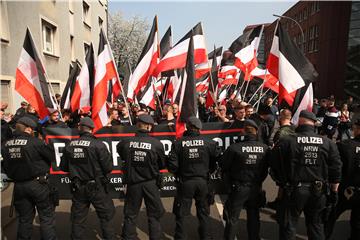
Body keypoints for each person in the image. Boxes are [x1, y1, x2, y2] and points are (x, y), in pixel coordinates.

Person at [269, 110, 342, 240]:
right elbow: (336, 169)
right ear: (313, 124)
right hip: (319, 192)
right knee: (316, 225)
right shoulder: (328, 143)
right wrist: (334, 192)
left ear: (299, 122)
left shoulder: (287, 141)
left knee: (288, 226)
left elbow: (274, 163)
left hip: (293, 190)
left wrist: (281, 182)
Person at [1, 117, 57, 240]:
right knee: (46, 218)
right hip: (39, 185)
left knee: (24, 220)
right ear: (28, 129)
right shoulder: (36, 142)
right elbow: (52, 156)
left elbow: (4, 165)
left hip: (19, 186)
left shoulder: (5, 145)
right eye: (32, 130)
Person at [60, 117, 115, 240]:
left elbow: (63, 167)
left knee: (78, 220)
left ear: (80, 128)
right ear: (92, 129)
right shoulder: (98, 145)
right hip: (97, 187)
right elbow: (108, 168)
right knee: (106, 217)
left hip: (79, 187)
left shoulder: (70, 145)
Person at [168, 116, 221, 240]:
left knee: (181, 213)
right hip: (203, 182)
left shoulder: (178, 143)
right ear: (199, 128)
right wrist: (209, 170)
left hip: (185, 182)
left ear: (187, 127)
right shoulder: (210, 143)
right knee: (204, 213)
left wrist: (178, 173)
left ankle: (180, 237)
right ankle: (206, 237)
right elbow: (216, 161)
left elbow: (173, 166)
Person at [117, 114, 166, 240]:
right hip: (150, 183)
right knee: (154, 215)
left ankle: (128, 237)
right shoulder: (156, 144)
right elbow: (161, 164)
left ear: (137, 126)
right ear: (149, 127)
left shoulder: (125, 142)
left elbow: (122, 154)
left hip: (133, 184)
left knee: (130, 215)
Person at [221, 119, 269, 240]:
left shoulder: (235, 148)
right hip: (255, 186)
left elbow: (224, 165)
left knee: (233, 217)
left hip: (239, 186)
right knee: (253, 215)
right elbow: (266, 169)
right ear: (256, 132)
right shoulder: (265, 148)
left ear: (243, 132)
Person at [325, 119, 360, 240]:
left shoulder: (344, 145)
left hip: (343, 189)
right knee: (357, 224)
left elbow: (334, 167)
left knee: (329, 218)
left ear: (357, 130)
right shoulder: (344, 145)